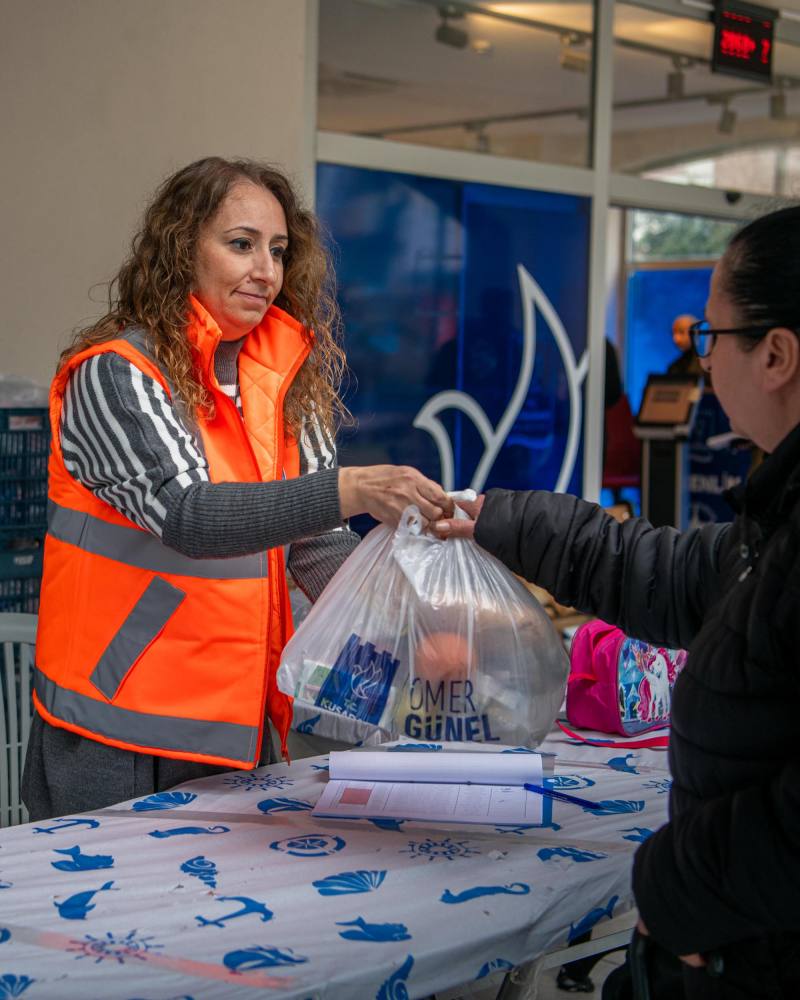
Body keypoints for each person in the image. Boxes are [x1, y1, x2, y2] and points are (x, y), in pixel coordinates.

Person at [436, 205, 800, 999]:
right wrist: (497, 517)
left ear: (776, 354)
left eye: (712, 337)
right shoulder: (776, 520)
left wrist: (677, 890)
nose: (702, 364)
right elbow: (666, 571)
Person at [22, 156, 452, 822]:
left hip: (239, 721)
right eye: (241, 244)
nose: (266, 271)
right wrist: (354, 487)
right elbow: (190, 517)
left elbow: (314, 541)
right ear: (181, 248)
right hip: (121, 732)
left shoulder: (279, 386)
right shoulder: (117, 375)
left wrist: (410, 625)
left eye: (277, 251)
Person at [666, 313, 704, 377]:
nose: (676, 339)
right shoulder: (674, 368)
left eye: (681, 332)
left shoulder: (708, 364)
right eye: (673, 333)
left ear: (695, 332)